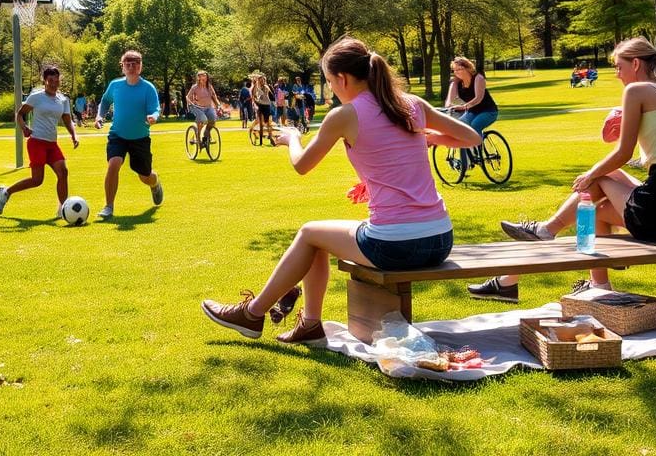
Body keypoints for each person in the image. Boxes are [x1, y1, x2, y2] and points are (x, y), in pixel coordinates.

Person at [201, 37, 481, 345]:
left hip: (396, 245)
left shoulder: (345, 115)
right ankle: (307, 326)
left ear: (343, 79)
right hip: (439, 239)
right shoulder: (411, 105)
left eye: (331, 82)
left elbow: (302, 165)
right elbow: (470, 137)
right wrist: (423, 136)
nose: (332, 88)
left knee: (309, 234)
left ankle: (253, 315)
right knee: (317, 237)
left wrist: (291, 137)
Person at [467, 37, 656, 303]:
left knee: (600, 177)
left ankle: (546, 232)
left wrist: (590, 174)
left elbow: (622, 154)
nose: (616, 74)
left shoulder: (637, 91)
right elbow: (642, 150)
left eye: (618, 67)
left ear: (636, 63)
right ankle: (596, 285)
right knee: (595, 212)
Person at [0, 65, 79, 218]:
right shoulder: (36, 96)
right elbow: (20, 114)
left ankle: (63, 209)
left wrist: (74, 135)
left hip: (52, 144)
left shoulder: (63, 99)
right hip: (37, 142)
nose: (54, 83)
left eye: (56, 80)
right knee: (37, 180)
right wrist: (24, 128)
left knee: (63, 172)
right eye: (50, 80)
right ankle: (6, 192)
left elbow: (68, 120)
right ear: (44, 81)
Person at [94, 50, 163, 220]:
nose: (132, 67)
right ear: (122, 67)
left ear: (141, 66)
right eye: (128, 64)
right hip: (117, 135)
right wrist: (99, 116)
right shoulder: (115, 85)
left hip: (140, 137)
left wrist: (153, 117)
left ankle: (155, 183)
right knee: (113, 165)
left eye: (136, 64)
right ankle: (108, 206)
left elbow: (155, 108)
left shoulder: (148, 88)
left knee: (145, 176)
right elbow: (105, 101)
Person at [444, 56, 499, 169]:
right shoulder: (456, 83)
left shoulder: (478, 78)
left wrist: (464, 106)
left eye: (459, 69)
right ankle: (467, 161)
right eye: (455, 70)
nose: (457, 72)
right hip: (472, 112)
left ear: (468, 68)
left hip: (488, 111)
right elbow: (450, 100)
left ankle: (478, 152)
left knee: (475, 126)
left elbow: (478, 98)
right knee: (459, 127)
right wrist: (447, 108)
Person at [186, 70, 221, 148]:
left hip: (208, 107)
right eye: (201, 76)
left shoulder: (209, 86)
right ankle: (198, 138)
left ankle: (206, 136)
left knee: (212, 121)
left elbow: (214, 97)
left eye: (204, 76)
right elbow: (187, 97)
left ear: (207, 77)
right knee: (203, 119)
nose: (203, 77)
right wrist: (191, 103)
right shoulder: (195, 87)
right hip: (198, 108)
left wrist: (219, 105)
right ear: (198, 78)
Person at [250, 74, 275, 145]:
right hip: (260, 106)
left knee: (268, 124)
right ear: (258, 81)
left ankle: (270, 137)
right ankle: (262, 140)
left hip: (267, 106)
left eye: (263, 80)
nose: (262, 81)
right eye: (260, 80)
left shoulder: (266, 87)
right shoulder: (255, 88)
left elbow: (268, 93)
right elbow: (253, 95)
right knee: (261, 123)